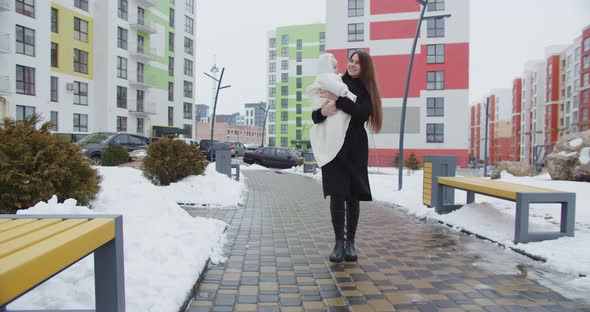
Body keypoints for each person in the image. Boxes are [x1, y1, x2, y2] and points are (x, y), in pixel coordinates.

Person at [312, 50, 383, 263]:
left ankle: (350, 242)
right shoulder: (334, 81)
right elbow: (316, 113)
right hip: (334, 146)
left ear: (365, 68)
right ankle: (338, 243)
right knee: (337, 194)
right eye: (351, 61)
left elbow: (362, 113)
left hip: (355, 148)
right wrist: (321, 114)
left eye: (357, 63)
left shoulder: (365, 89)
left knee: (352, 195)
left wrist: (339, 99)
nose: (352, 65)